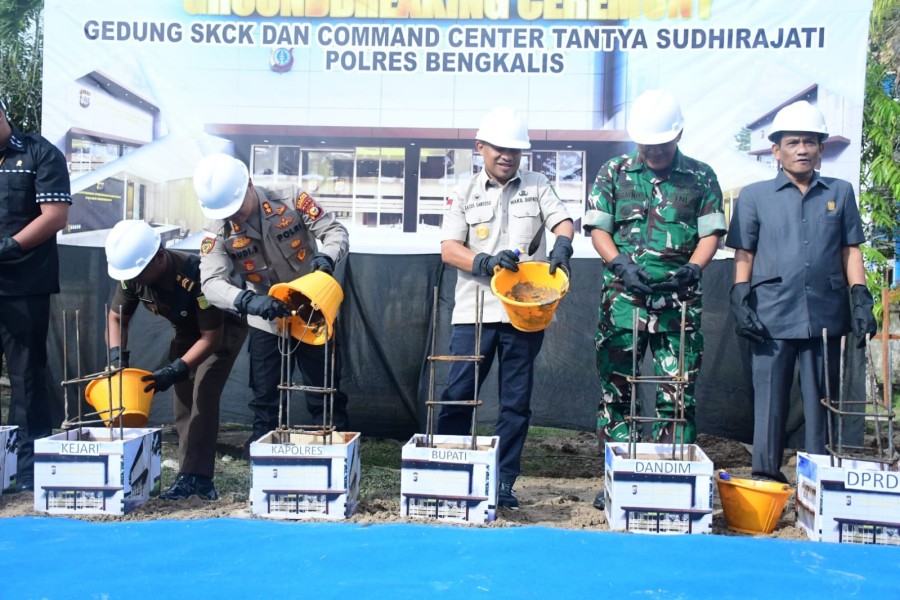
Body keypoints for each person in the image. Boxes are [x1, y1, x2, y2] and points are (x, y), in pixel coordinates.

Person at [583, 90, 725, 509]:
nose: (655, 150)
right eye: (647, 143)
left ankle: (671, 476)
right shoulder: (614, 172)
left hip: (678, 306)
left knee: (676, 392)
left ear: (678, 134)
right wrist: (621, 265)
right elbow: (598, 230)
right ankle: (617, 475)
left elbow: (711, 233)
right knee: (616, 392)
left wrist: (695, 269)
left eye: (662, 142)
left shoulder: (700, 177)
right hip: (623, 303)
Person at [725, 100, 876, 483]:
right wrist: (740, 296)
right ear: (776, 150)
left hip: (825, 315)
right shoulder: (755, 197)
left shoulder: (840, 192)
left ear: (822, 148)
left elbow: (849, 249)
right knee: (770, 401)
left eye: (810, 142)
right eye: (793, 142)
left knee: (820, 400)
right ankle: (765, 475)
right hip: (770, 313)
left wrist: (860, 296)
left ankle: (816, 475)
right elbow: (745, 253)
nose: (803, 150)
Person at [438, 107, 574, 509]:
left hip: (526, 311)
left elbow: (562, 222)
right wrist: (483, 262)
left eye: (515, 150)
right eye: (500, 148)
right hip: (475, 311)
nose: (508, 156)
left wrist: (564, 243)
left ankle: (502, 482)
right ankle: (451, 472)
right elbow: (449, 249)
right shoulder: (462, 192)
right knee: (458, 395)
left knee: (515, 401)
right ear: (481, 147)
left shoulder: (537, 184)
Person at [193, 153, 350, 449]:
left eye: (237, 207)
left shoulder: (291, 199)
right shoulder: (217, 230)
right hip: (265, 318)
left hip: (312, 310)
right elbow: (211, 282)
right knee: (266, 397)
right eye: (227, 212)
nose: (234, 216)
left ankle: (336, 452)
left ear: (250, 184)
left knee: (324, 390)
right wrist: (246, 301)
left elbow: (334, 231)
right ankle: (264, 457)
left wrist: (327, 257)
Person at [104, 220, 247, 499]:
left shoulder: (195, 276)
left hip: (222, 329)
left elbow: (211, 339)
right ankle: (187, 475)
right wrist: (116, 358)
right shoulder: (132, 275)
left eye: (139, 272)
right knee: (182, 400)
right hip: (187, 330)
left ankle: (201, 479)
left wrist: (175, 368)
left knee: (204, 394)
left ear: (159, 257)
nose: (134, 279)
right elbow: (117, 317)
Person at [0, 98, 71, 491]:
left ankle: (28, 468)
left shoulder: (39, 153)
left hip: (23, 284)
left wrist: (9, 247)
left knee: (26, 376)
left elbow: (55, 216)